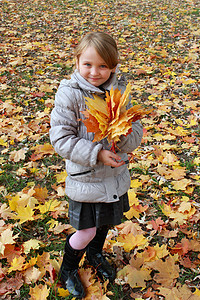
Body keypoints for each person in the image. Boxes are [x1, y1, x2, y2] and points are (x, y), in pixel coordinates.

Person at [49, 32, 143, 298]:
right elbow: (61, 138)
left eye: (103, 66)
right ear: (77, 61)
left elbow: (135, 128)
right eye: (88, 64)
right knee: (87, 229)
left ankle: (94, 255)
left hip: (114, 175)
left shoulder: (120, 91)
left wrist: (124, 135)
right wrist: (96, 154)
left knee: (106, 222)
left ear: (113, 66)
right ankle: (67, 270)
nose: (95, 72)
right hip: (87, 178)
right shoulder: (70, 95)